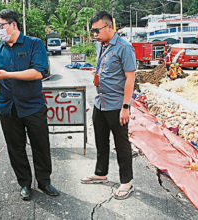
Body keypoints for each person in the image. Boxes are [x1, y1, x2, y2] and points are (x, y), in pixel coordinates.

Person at [0, 9, 59, 201]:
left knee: (40, 146)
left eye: (1, 26)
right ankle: (24, 183)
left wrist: (6, 74)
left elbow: (37, 73)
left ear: (13, 25)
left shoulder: (34, 44)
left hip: (33, 106)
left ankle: (44, 182)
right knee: (15, 148)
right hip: (8, 108)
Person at [80, 11, 136, 200]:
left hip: (117, 106)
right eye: (92, 31)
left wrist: (126, 107)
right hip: (100, 103)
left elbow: (130, 78)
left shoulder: (124, 48)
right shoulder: (100, 46)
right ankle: (100, 172)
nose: (94, 35)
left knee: (121, 145)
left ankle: (126, 181)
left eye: (97, 30)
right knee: (100, 141)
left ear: (109, 27)